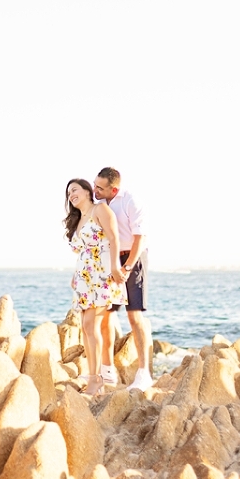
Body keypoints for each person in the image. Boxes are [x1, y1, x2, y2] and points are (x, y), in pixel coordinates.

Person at [64, 178, 127, 396]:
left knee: (92, 325)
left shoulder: (100, 209)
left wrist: (116, 267)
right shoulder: (79, 219)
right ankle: (95, 375)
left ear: (87, 191)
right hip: (84, 277)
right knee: (86, 327)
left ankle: (96, 378)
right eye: (68, 193)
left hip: (101, 274)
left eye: (75, 190)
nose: (71, 195)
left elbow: (114, 238)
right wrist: (75, 275)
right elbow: (83, 252)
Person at [93, 167, 153, 391]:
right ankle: (107, 372)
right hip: (110, 259)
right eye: (94, 184)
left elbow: (140, 237)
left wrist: (127, 267)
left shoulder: (130, 202)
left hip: (133, 258)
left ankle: (144, 373)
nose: (95, 190)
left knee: (134, 317)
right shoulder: (98, 202)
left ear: (114, 189)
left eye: (100, 187)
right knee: (106, 314)